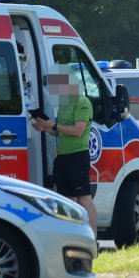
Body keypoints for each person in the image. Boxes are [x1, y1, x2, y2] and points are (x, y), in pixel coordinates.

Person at [32, 65, 98, 236]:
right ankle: (74, 237)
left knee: (84, 198)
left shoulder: (82, 102)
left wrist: (52, 125)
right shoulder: (64, 103)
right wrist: (44, 127)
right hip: (62, 157)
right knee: (68, 200)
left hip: (77, 156)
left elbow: (77, 131)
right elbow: (57, 131)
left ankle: (93, 238)